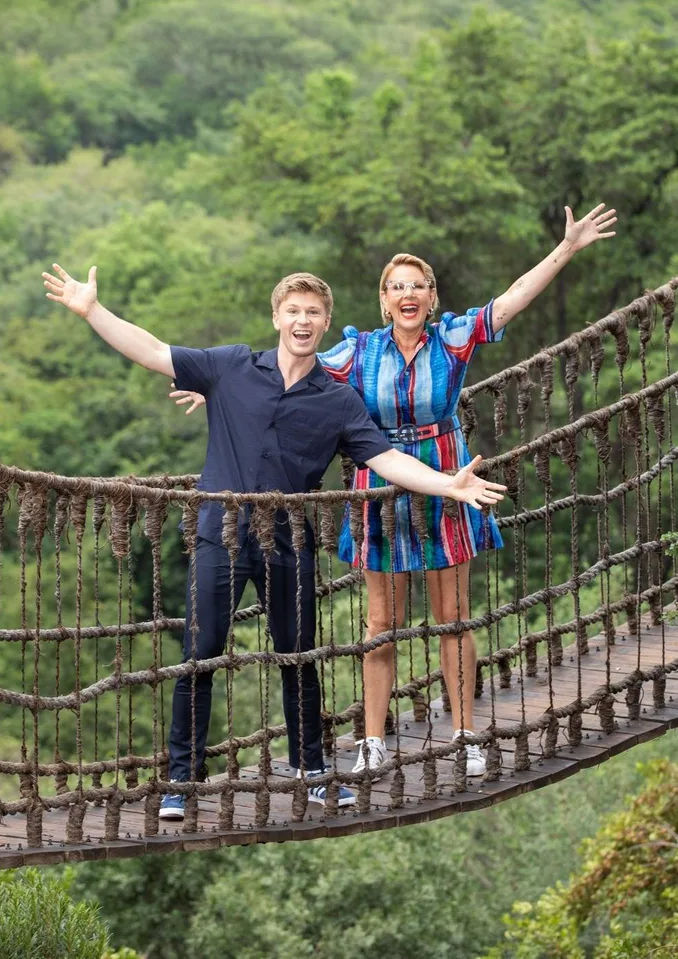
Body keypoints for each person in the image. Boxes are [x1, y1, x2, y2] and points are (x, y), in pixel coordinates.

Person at [173, 202, 617, 779]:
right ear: (384, 301)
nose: (408, 294)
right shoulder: (357, 351)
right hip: (379, 483)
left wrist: (566, 249)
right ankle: (373, 740)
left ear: (431, 298)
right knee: (380, 618)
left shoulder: (454, 338)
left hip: (445, 478)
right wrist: (221, 390)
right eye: (397, 286)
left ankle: (463, 733)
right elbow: (284, 366)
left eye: (419, 285)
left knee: (453, 614)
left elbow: (509, 301)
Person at [42, 266, 506, 816]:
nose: (302, 321)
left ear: (327, 323)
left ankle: (311, 771)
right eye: (293, 311)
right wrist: (94, 311)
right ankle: (181, 783)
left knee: (298, 654)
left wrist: (447, 484)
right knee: (199, 654)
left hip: (289, 540)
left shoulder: (337, 401)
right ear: (276, 317)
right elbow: (153, 350)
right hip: (220, 534)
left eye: (313, 313)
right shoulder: (233, 366)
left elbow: (387, 459)